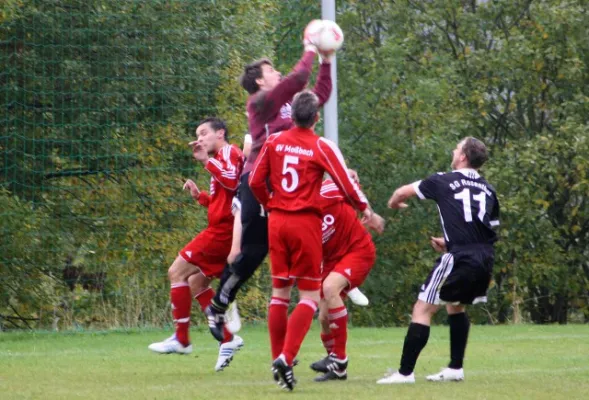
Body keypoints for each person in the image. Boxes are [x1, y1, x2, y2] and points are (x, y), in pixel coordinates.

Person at [205, 25, 335, 341]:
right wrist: (310, 48)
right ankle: (220, 302)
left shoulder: (287, 105)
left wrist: (327, 61)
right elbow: (297, 79)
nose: (277, 73)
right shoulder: (259, 102)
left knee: (259, 251)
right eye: (271, 70)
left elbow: (318, 96)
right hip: (257, 181)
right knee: (250, 250)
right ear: (261, 81)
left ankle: (220, 303)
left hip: (277, 186)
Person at [249, 90, 381, 391]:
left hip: (277, 221)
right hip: (304, 222)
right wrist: (366, 210)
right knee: (309, 296)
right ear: (316, 118)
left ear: (290, 115)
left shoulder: (274, 141)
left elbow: (256, 181)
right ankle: (286, 356)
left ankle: (276, 359)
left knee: (279, 295)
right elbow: (347, 184)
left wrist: (269, 204)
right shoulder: (321, 145)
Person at [377, 137, 500, 384]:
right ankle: (455, 368)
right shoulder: (489, 189)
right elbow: (487, 228)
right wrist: (449, 240)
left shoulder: (443, 179)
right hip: (484, 257)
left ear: (463, 156)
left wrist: (393, 203)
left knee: (423, 309)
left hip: (459, 257)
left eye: (457, 147)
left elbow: (403, 192)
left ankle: (404, 373)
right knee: (456, 306)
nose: (453, 150)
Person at [148, 117, 245, 372]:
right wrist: (200, 196)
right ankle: (227, 337)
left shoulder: (230, 152)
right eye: (197, 134)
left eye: (204, 133)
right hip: (222, 230)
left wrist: (205, 161)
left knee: (176, 272)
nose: (199, 138)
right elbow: (222, 198)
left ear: (220, 133)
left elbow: (234, 182)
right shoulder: (222, 157)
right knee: (196, 282)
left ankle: (181, 339)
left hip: (224, 232)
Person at [310, 172, 385, 382]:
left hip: (357, 250)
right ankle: (333, 360)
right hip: (331, 261)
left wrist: (369, 212)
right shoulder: (296, 212)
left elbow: (351, 182)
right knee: (324, 318)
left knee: (330, 288)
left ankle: (340, 361)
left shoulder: (328, 190)